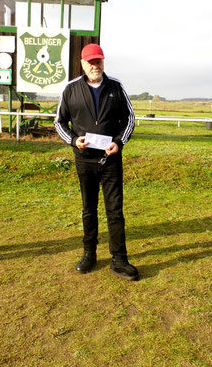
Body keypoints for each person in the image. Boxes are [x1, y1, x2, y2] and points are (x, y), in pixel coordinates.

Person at [55, 43, 138, 280]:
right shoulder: (70, 89)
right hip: (84, 160)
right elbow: (59, 122)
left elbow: (129, 118)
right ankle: (89, 253)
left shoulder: (116, 87)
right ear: (82, 64)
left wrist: (119, 143)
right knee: (88, 209)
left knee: (115, 210)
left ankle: (119, 260)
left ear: (103, 62)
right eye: (90, 62)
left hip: (110, 159)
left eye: (98, 61)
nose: (95, 65)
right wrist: (73, 141)